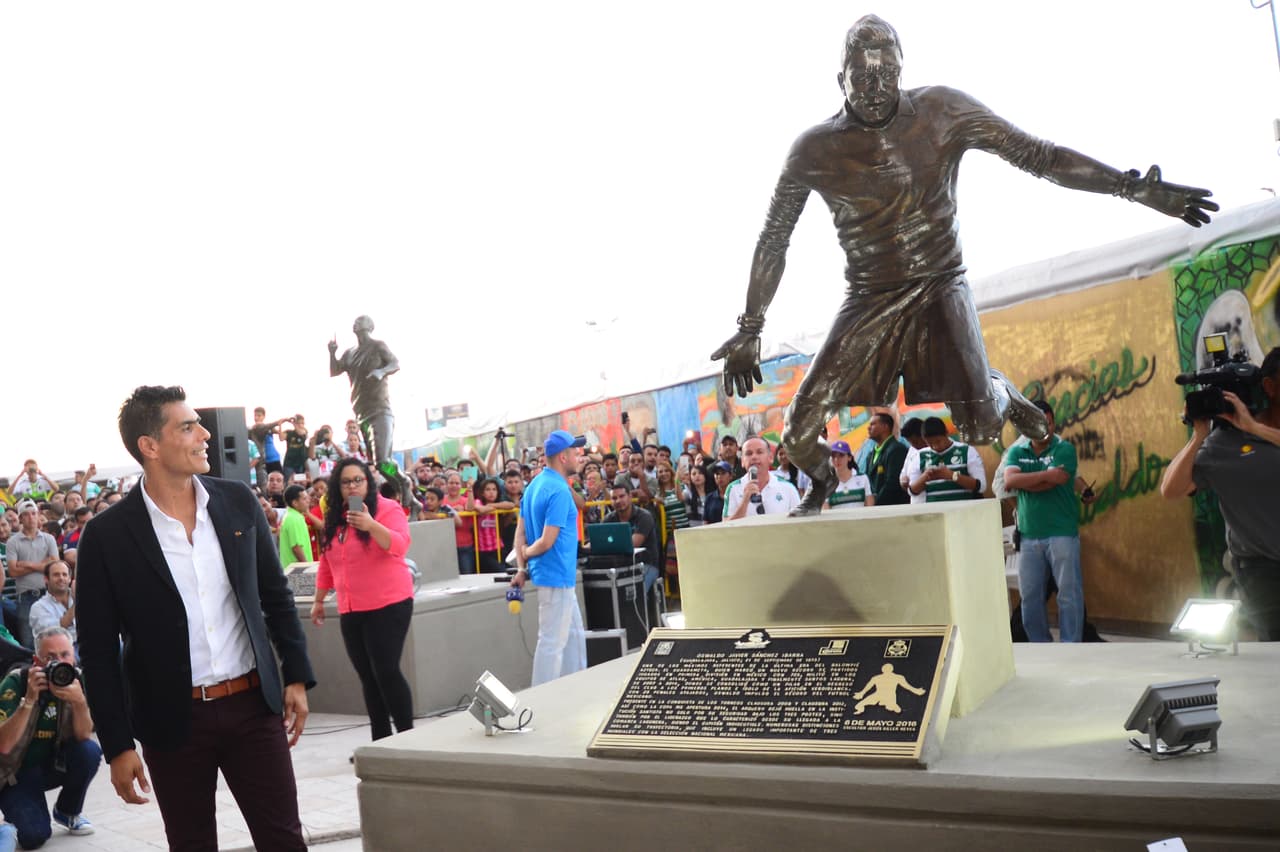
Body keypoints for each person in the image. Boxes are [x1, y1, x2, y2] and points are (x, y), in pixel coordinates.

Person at [712, 14, 1217, 516]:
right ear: (839, 79)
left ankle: (1003, 392)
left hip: (940, 284)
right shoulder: (813, 149)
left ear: (902, 69)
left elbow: (1038, 155)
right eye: (862, 76)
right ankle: (819, 484)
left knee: (979, 429)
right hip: (868, 295)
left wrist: (1131, 187)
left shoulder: (942, 110)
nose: (875, 87)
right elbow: (775, 238)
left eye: (887, 73)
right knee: (797, 433)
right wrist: (750, 325)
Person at [76, 385, 314, 851]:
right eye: (187, 426)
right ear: (150, 446)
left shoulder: (237, 502)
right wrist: (118, 745)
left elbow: (275, 596)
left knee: (284, 840)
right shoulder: (106, 537)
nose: (204, 433)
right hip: (172, 720)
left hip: (252, 707)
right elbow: (98, 651)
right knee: (190, 843)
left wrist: (297, 677)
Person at [1161, 346, 1280, 640]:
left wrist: (1254, 427)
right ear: (1269, 386)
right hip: (1262, 572)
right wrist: (1198, 436)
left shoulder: (1257, 430)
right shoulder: (1222, 445)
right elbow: (1171, 490)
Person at [310, 458, 415, 739]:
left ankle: (409, 739)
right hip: (351, 608)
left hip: (388, 603)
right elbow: (327, 560)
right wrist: (319, 600)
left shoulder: (387, 509)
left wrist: (370, 525)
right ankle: (380, 742)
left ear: (369, 482)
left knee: (386, 671)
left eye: (359, 480)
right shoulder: (337, 516)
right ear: (338, 487)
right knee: (368, 677)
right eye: (346, 482)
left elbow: (400, 544)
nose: (353, 487)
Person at [0, 627, 99, 847]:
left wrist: (80, 702)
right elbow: (4, 746)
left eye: (65, 655)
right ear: (36, 661)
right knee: (33, 836)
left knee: (89, 752)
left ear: (73, 656)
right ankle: (13, 816)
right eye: (50, 658)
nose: (59, 663)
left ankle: (67, 811)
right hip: (16, 774)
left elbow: (83, 735)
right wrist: (29, 700)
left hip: (51, 765)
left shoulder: (77, 679)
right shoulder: (16, 682)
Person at [510, 431, 587, 686]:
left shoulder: (533, 486)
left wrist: (521, 569)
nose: (579, 455)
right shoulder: (559, 490)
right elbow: (545, 541)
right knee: (551, 643)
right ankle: (541, 700)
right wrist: (526, 555)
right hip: (556, 575)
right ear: (563, 457)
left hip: (554, 576)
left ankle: (575, 690)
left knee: (574, 638)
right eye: (575, 452)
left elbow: (520, 532)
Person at [1002, 400, 1082, 642]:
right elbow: (1009, 482)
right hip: (1028, 534)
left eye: (1048, 423)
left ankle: (1072, 645)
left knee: (1068, 594)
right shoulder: (1017, 451)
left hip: (1062, 533)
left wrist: (1026, 479)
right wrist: (1046, 476)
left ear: (1054, 422)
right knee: (1030, 596)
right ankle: (1040, 645)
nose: (1044, 429)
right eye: (1038, 424)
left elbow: (1059, 479)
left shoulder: (1064, 449)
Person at [328, 316, 401, 469]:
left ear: (370, 326)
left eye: (361, 320)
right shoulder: (350, 353)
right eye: (355, 321)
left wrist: (382, 371)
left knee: (383, 462)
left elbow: (395, 363)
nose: (356, 323)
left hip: (379, 410)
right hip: (361, 412)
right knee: (373, 463)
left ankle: (404, 487)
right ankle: (387, 490)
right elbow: (335, 371)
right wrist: (332, 353)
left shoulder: (378, 345)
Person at [5, 501, 59, 650]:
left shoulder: (49, 538)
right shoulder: (12, 542)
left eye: (34, 513)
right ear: (20, 518)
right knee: (28, 642)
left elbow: (54, 566)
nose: (31, 517)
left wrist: (28, 564)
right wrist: (43, 565)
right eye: (26, 515)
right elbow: (13, 571)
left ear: (38, 515)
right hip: (26, 596)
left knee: (55, 636)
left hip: (49, 593)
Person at [905, 417, 986, 503]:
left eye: (938, 441)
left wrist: (952, 476)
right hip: (934, 512)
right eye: (930, 443)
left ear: (946, 433)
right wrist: (925, 478)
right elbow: (912, 492)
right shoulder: (919, 456)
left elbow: (981, 486)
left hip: (963, 510)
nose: (935, 446)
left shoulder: (967, 451)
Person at [725, 437, 801, 519]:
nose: (754, 457)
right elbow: (725, 526)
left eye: (759, 452)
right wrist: (745, 500)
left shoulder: (788, 488)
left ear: (770, 458)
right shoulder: (733, 488)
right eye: (749, 453)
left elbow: (800, 523)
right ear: (742, 461)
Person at [605, 484, 661, 595]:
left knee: (634, 595)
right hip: (618, 567)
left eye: (622, 496)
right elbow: (600, 541)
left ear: (630, 496)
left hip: (646, 565)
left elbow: (632, 544)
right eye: (614, 498)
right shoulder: (609, 518)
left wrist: (608, 545)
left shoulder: (644, 516)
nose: (618, 501)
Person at [28, 561, 76, 651]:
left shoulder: (82, 597)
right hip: (59, 651)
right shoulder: (38, 608)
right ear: (46, 579)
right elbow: (56, 632)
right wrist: (77, 603)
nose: (61, 578)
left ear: (70, 579)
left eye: (64, 575)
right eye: (56, 575)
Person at [865, 413, 910, 506]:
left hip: (893, 509)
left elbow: (892, 484)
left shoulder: (897, 450)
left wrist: (874, 504)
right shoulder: (870, 454)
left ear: (885, 427)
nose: (868, 428)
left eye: (873, 424)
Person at [472, 478, 515, 574]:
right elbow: (481, 510)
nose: (491, 492)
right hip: (482, 550)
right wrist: (490, 507)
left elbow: (511, 505)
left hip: (498, 547)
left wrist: (492, 505)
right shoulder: (478, 502)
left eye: (494, 489)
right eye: (488, 489)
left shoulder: (498, 504)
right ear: (482, 492)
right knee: (499, 572)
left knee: (505, 571)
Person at [827, 441, 875, 510]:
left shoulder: (863, 478)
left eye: (841, 455)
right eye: (833, 456)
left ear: (849, 457)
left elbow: (870, 507)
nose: (836, 459)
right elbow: (825, 510)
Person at [278, 485, 314, 570]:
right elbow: (296, 547)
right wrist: (307, 568)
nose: (308, 501)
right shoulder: (294, 518)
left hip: (292, 570)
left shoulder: (291, 516)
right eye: (304, 499)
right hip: (297, 572)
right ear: (295, 503)